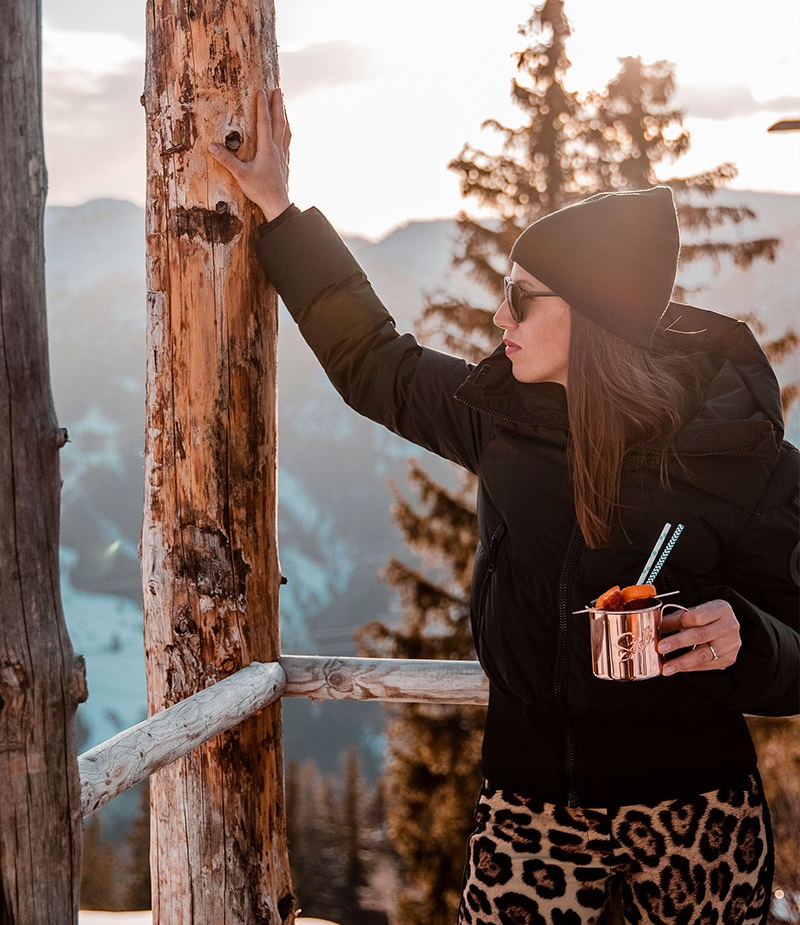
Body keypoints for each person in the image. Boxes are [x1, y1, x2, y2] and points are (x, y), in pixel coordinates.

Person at [209, 88, 799, 925]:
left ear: (590, 315)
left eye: (522, 296)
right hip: (532, 813)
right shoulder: (504, 420)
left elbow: (795, 649)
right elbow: (375, 363)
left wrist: (747, 637)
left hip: (694, 818)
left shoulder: (738, 453)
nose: (499, 315)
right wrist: (280, 209)